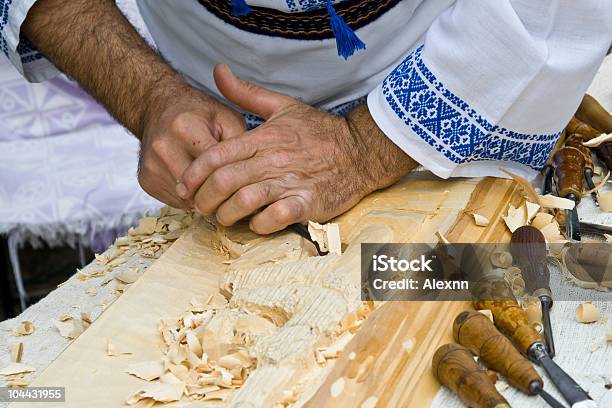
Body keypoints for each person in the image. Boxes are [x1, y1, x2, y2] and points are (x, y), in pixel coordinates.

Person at [2, 0, 610, 234]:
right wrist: (149, 97)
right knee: (245, 349)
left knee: (471, 290)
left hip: (457, 96)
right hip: (226, 139)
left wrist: (366, 148)